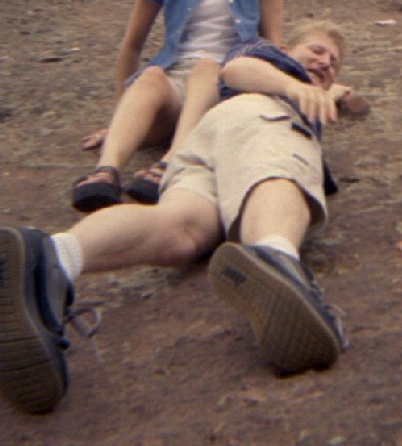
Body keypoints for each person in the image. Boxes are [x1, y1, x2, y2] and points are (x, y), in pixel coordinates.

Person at [0, 20, 353, 416]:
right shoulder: (270, 60)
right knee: (276, 174)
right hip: (261, 121)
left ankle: (51, 259)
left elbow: (342, 96)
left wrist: (334, 90)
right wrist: (296, 86)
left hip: (207, 143)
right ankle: (277, 260)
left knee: (180, 229)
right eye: (317, 50)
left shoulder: (313, 88)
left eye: (333, 62)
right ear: (286, 48)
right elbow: (236, 69)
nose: (325, 62)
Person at [72, 0, 285, 212]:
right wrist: (121, 118)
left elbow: (272, 44)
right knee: (151, 75)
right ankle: (106, 171)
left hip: (227, 89)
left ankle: (171, 162)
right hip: (174, 89)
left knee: (206, 67)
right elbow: (132, 46)